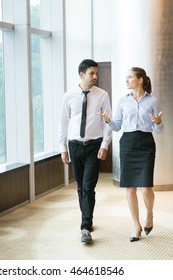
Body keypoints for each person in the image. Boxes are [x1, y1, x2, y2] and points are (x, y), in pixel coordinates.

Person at [98, 67, 163, 242]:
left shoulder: (152, 101)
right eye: (126, 77)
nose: (126, 80)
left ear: (140, 80)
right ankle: (136, 225)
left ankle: (149, 215)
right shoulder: (122, 101)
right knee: (130, 188)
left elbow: (159, 129)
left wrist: (158, 122)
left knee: (146, 188)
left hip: (146, 144)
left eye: (129, 77)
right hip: (127, 144)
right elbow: (117, 126)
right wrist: (108, 120)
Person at [59, 59, 112, 243]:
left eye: (96, 73)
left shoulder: (102, 95)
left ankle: (85, 227)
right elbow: (64, 123)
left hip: (94, 146)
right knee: (81, 187)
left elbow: (108, 123)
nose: (96, 76)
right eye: (92, 73)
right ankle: (87, 220)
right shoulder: (69, 95)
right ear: (82, 75)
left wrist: (105, 145)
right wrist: (63, 148)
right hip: (74, 146)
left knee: (88, 187)